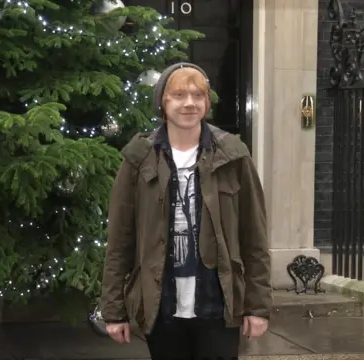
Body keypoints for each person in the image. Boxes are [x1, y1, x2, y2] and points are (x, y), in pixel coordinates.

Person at [100, 62, 272, 360]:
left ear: (207, 102)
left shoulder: (233, 155)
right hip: (160, 304)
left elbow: (254, 237)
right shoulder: (139, 158)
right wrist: (114, 310)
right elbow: (119, 239)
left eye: (198, 95)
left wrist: (257, 307)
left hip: (219, 303)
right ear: (163, 103)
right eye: (179, 95)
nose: (189, 103)